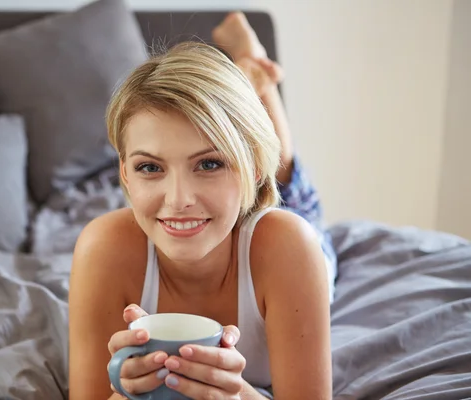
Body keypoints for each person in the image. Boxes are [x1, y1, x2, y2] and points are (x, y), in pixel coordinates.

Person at [69, 11, 335, 400]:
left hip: (276, 220)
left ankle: (253, 67)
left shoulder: (291, 246)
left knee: (291, 186)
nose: (178, 201)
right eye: (150, 167)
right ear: (125, 173)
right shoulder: (102, 247)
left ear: (251, 169)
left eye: (209, 163)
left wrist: (238, 396)